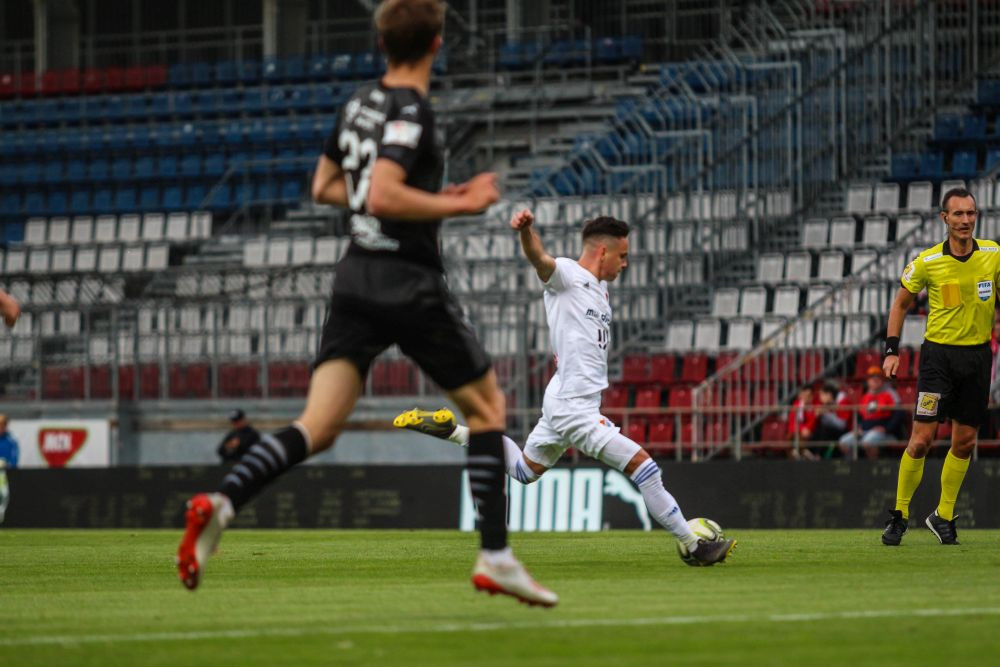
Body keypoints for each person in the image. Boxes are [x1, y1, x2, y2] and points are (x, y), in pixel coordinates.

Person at [176, 0, 557, 607]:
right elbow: (382, 193)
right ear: (436, 45)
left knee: (317, 426)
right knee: (488, 408)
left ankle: (222, 503)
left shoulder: (358, 104)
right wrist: (458, 204)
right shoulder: (414, 110)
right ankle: (496, 557)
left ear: (381, 45)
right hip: (407, 279)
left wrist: (423, 194)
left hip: (354, 277)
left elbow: (327, 186)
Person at [394, 208, 736, 566]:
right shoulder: (567, 276)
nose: (625, 264)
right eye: (622, 256)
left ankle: (454, 431)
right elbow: (539, 259)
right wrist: (526, 231)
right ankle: (693, 545)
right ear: (602, 251)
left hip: (565, 399)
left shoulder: (601, 290)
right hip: (574, 406)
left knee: (524, 470)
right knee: (644, 467)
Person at [881, 187, 1000, 546]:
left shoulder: (993, 254)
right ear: (944, 218)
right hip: (939, 360)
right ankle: (900, 515)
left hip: (978, 358)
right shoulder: (927, 261)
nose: (965, 220)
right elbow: (900, 304)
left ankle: (943, 515)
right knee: (921, 441)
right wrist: (891, 351)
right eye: (958, 214)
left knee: (965, 442)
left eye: (970, 213)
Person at [838, 367, 904, 460]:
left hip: (885, 432)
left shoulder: (889, 394)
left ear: (882, 381)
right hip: (865, 431)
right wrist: (858, 428)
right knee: (844, 442)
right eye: (872, 379)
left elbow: (899, 414)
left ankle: (873, 465)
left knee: (868, 441)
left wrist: (886, 429)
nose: (874, 381)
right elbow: (860, 416)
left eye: (877, 378)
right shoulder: (865, 397)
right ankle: (852, 465)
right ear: (868, 381)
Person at [786, 385, 817, 459]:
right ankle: (801, 453)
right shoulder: (796, 405)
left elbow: (813, 422)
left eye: (809, 395)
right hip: (797, 431)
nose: (806, 397)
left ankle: (801, 453)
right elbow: (792, 422)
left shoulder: (813, 407)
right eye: (804, 395)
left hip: (809, 432)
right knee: (791, 437)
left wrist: (807, 428)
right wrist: (801, 429)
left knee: (803, 436)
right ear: (801, 395)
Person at [0, 414, 19, 525]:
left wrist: (7, 464)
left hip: (5, 474)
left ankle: (1, 513)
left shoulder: (11, 441)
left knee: (4, 493)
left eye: (2, 425)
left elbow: (14, 460)